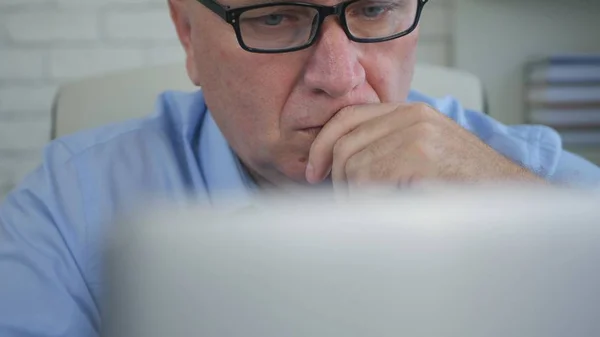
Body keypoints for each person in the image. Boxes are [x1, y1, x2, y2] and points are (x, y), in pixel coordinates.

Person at [1, 0, 600, 335]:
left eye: (374, 9)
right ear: (188, 33)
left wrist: (510, 197)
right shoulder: (69, 203)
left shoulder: (523, 169)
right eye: (274, 17)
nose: (339, 78)